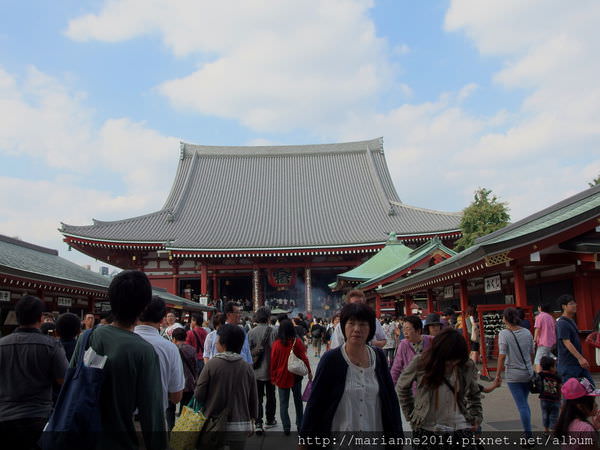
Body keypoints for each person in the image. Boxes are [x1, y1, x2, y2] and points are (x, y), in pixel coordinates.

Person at [69, 270, 167, 450]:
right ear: (144, 306)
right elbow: (151, 415)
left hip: (79, 438)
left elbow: (69, 382)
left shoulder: (87, 338)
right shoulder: (143, 351)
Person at [301, 303, 403, 436]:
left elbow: (391, 400)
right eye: (351, 323)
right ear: (343, 327)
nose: (356, 329)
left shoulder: (379, 358)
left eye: (362, 324)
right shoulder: (331, 359)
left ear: (371, 328)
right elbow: (315, 404)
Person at [0, 296, 69, 450]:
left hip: (4, 417)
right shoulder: (51, 346)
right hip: (38, 417)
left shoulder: (2, 345)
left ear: (17, 316)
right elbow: (64, 380)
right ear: (40, 317)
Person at [397, 328, 481, 444]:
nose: (451, 363)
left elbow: (474, 393)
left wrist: (476, 418)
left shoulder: (466, 366)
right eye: (448, 359)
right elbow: (402, 387)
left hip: (460, 427)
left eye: (455, 360)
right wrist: (412, 414)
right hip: (427, 427)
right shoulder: (421, 362)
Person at [195, 324, 258, 450]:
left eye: (217, 341)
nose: (215, 344)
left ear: (223, 345)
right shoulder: (247, 367)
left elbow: (199, 394)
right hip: (240, 424)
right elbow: (253, 398)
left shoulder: (211, 365)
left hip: (214, 424)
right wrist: (253, 419)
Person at [135, 296, 185, 431]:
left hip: (120, 421)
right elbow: (176, 397)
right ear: (163, 319)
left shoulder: (120, 342)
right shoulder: (170, 348)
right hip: (154, 419)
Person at [495, 307, 535, 439]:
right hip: (528, 373)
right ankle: (527, 430)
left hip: (513, 374)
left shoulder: (504, 334)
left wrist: (497, 375)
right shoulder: (527, 332)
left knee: (522, 405)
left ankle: (528, 435)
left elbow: (502, 355)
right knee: (524, 402)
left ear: (505, 319)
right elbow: (531, 352)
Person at [270, 319, 312, 435]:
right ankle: (300, 425)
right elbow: (304, 357)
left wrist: (273, 377)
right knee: (298, 401)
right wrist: (309, 371)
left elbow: (273, 362)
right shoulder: (296, 342)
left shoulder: (276, 344)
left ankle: (286, 427)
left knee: (283, 404)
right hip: (296, 376)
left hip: (281, 377)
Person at [247, 306, 277, 434]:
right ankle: (270, 420)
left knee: (257, 398)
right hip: (271, 370)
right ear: (269, 317)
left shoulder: (251, 332)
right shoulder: (274, 331)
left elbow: (247, 353)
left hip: (256, 370)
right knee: (271, 396)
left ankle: (258, 422)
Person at [556, 294, 594, 386]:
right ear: (564, 306)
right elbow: (567, 342)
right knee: (571, 393)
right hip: (568, 364)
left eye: (575, 303)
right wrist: (580, 358)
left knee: (590, 389)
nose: (575, 305)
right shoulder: (562, 323)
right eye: (571, 303)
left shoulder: (571, 321)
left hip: (578, 363)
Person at [554, 378, 600, 449]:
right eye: (592, 401)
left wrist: (594, 427)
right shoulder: (586, 429)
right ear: (580, 406)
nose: (596, 405)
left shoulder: (566, 422)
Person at [391, 315, 434, 385]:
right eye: (403, 329)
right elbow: (396, 369)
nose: (405, 332)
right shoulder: (403, 345)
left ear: (418, 330)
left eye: (408, 329)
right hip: (411, 390)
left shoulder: (432, 341)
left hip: (430, 387)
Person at [172, 327, 198, 410]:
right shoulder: (192, 350)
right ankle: (182, 423)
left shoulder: (171, 349)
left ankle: (171, 423)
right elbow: (195, 367)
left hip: (174, 382)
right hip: (189, 383)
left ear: (174, 339)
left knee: (170, 408)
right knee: (185, 409)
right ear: (185, 337)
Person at [538, 356, 561, 432]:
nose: (556, 368)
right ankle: (553, 431)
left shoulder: (540, 375)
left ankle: (546, 430)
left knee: (545, 415)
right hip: (555, 399)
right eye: (555, 366)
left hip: (544, 399)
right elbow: (561, 387)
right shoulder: (557, 376)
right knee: (554, 416)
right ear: (551, 368)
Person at [534, 303, 556, 373]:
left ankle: (540, 375)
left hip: (543, 341)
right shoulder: (551, 317)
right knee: (549, 358)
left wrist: (534, 339)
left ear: (540, 308)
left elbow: (537, 328)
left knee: (538, 360)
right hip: (552, 342)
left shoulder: (539, 316)